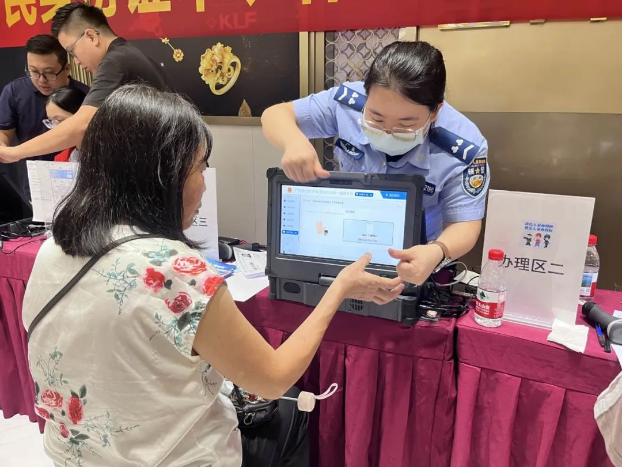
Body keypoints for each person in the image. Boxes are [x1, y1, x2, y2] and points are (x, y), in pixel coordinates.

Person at [22, 84, 403, 467]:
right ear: (163, 176)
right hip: (174, 459)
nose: (204, 182)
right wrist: (339, 288)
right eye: (200, 167)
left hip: (74, 456)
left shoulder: (55, 246)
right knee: (290, 413)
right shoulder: (174, 270)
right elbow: (272, 379)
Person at [262, 41, 490, 286]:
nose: (388, 131)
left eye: (405, 124)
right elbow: (275, 115)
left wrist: (438, 251)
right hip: (347, 241)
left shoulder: (463, 147)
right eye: (376, 118)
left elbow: (465, 223)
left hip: (416, 260)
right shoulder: (347, 102)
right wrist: (293, 141)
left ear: (435, 112)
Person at [0, 2, 172, 165]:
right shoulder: (134, 56)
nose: (76, 61)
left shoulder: (115, 62)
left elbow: (83, 124)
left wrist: (16, 152)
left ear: (91, 36)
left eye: (72, 51)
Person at [0, 34, 89, 194]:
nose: (41, 80)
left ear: (67, 68)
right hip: (35, 182)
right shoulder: (15, 91)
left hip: (80, 183)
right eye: (34, 72)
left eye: (49, 73)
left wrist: (16, 153)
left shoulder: (88, 97)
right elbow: (4, 132)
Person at [44, 86, 86, 162]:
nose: (54, 129)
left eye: (59, 120)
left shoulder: (106, 153)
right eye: (50, 121)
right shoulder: (61, 159)